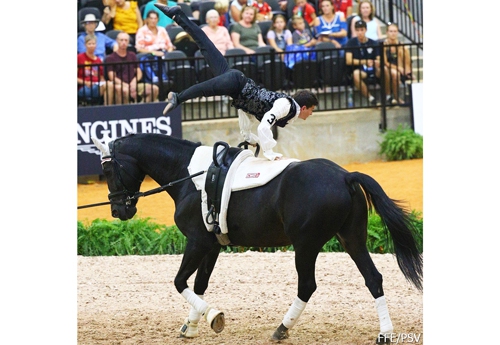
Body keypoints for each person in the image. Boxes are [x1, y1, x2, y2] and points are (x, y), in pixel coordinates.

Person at [154, 4, 319, 161]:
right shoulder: (286, 106)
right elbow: (263, 126)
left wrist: (248, 136)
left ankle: (177, 14)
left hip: (234, 82)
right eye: (311, 110)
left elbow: (247, 109)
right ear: (304, 107)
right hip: (235, 83)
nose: (311, 114)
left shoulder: (284, 109)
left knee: (205, 44)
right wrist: (269, 152)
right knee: (205, 88)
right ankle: (178, 97)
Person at [106, 32, 159, 104]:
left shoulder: (132, 55)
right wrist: (125, 85)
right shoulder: (111, 58)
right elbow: (112, 77)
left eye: (126, 40)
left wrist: (134, 81)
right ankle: (126, 113)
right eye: (121, 40)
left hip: (133, 84)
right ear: (117, 41)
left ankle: (141, 109)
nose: (124, 42)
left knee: (154, 89)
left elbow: (139, 72)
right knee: (125, 91)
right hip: (120, 85)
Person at [345, 20, 389, 106]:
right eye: (358, 30)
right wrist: (364, 61)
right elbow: (348, 60)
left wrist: (376, 62)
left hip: (373, 68)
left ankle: (388, 95)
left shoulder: (373, 42)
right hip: (361, 69)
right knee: (356, 74)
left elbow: (379, 58)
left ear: (366, 30)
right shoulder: (351, 43)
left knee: (384, 69)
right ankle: (371, 98)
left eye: (362, 30)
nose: (360, 32)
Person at [77, 35, 114, 105]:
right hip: (84, 87)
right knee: (109, 85)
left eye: (93, 44)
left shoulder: (98, 60)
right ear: (85, 45)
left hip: (97, 85)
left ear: (96, 45)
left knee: (110, 85)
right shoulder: (79, 57)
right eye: (89, 44)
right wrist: (85, 82)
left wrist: (101, 79)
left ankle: (107, 107)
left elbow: (102, 77)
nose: (91, 46)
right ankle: (108, 109)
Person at [383, 22, 413, 104]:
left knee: (404, 49)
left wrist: (407, 70)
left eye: (395, 31)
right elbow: (385, 62)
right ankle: (396, 97)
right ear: (387, 32)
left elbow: (407, 59)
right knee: (395, 74)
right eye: (391, 31)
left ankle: (407, 73)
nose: (393, 33)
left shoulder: (401, 45)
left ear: (397, 32)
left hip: (399, 65)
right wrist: (398, 68)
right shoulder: (384, 45)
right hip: (389, 66)